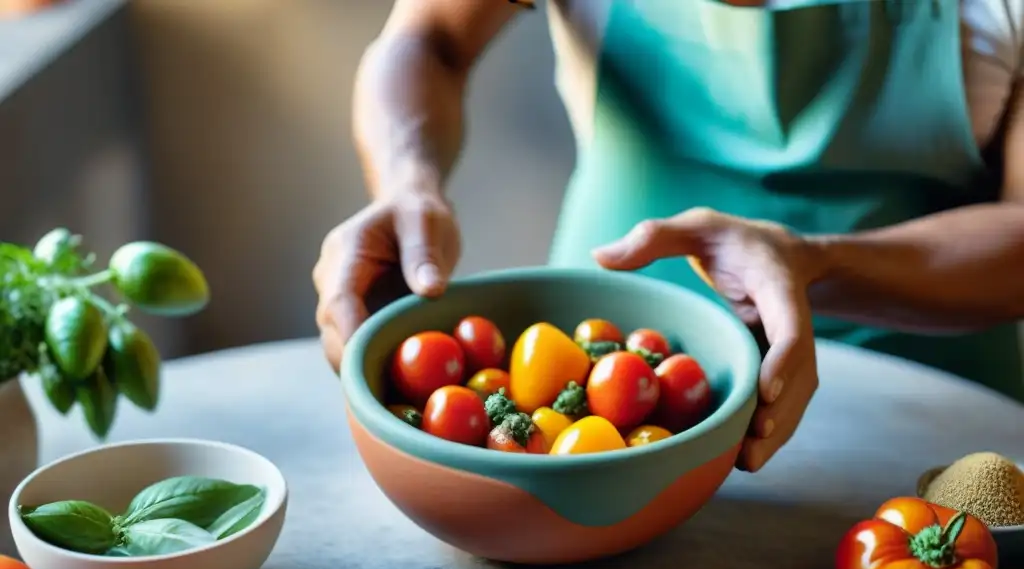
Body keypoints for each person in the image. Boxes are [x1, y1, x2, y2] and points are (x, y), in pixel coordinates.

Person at [313, 0, 1024, 473]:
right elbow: (427, 39)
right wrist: (408, 181)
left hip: (928, 423)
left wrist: (816, 262)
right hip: (583, 385)